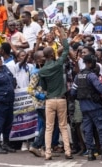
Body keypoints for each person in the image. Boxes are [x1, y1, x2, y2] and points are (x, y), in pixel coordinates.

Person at [39, 26, 73, 160]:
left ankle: (48, 153)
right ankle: (68, 152)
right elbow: (66, 49)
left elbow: (43, 87)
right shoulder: (58, 64)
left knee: (49, 128)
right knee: (63, 126)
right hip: (61, 99)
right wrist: (62, 36)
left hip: (50, 100)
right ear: (52, 54)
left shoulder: (42, 71)